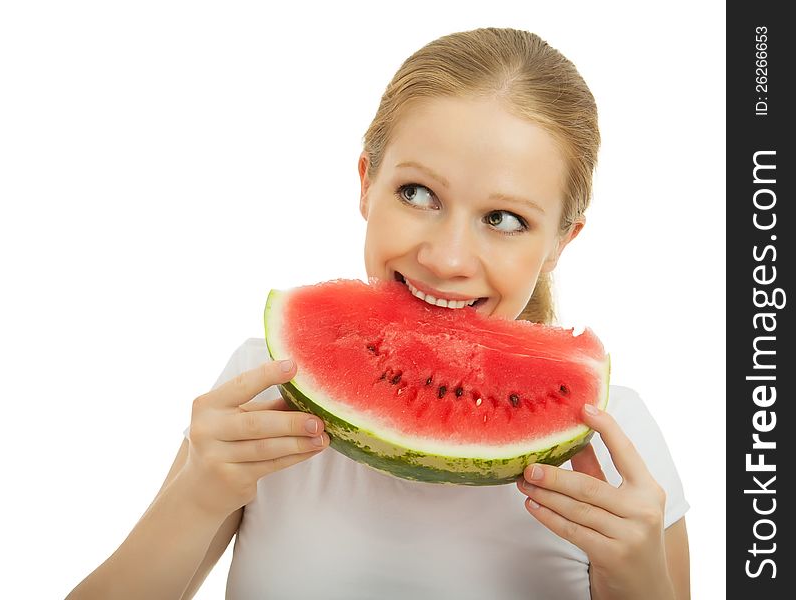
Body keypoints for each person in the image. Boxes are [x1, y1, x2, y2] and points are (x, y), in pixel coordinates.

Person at [67, 27, 690, 599]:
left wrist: (641, 584)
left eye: (505, 220)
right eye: (418, 194)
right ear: (367, 183)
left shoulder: (613, 446)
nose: (447, 258)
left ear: (560, 241)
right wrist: (197, 495)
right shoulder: (265, 391)